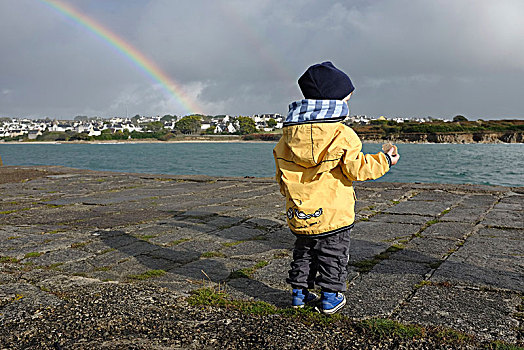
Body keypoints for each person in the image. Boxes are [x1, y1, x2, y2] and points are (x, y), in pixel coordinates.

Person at [273, 61, 399, 314]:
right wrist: (385, 159)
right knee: (333, 255)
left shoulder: (287, 137)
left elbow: (281, 176)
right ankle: (330, 297)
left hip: (299, 211)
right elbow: (357, 169)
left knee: (304, 254)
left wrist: (293, 196)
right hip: (333, 213)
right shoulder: (343, 134)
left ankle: (299, 293)